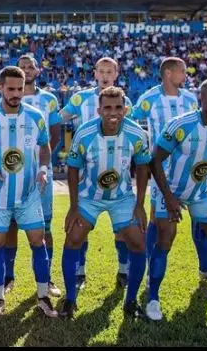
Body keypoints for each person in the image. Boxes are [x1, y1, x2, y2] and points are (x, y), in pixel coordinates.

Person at [146, 78, 207, 323]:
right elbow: (155, 160)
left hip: (203, 192)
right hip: (169, 190)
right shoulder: (180, 125)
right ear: (202, 98)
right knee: (165, 240)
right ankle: (153, 299)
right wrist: (168, 197)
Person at [59, 87, 150, 319]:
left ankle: (130, 302)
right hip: (89, 197)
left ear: (125, 109)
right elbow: (72, 169)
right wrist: (73, 206)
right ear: (98, 109)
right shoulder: (84, 133)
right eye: (107, 107)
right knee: (73, 240)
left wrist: (139, 204)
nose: (113, 112)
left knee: (139, 243)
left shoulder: (137, 133)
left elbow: (142, 168)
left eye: (118, 107)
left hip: (122, 198)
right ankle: (70, 299)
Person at [0, 66, 57, 319]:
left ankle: (43, 295)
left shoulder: (35, 116)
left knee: (38, 240)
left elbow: (45, 147)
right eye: (10, 89)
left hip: (30, 193)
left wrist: (43, 168)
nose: (15, 94)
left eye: (19, 89)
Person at [131, 58, 207, 286]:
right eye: (182, 71)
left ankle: (205, 267)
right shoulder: (149, 98)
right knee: (158, 218)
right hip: (161, 169)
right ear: (168, 73)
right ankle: (149, 269)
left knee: (199, 215)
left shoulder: (189, 98)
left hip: (191, 166)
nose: (185, 76)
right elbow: (131, 119)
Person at [60, 57, 133, 290]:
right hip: (85, 171)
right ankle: (79, 271)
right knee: (82, 227)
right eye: (101, 71)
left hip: (114, 170)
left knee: (122, 229)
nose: (104, 75)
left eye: (109, 71)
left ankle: (124, 270)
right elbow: (59, 118)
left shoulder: (124, 100)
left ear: (116, 73)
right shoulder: (80, 98)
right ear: (94, 74)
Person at [10, 54, 63, 297]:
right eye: (22, 67)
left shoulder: (49, 99)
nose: (27, 69)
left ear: (37, 70)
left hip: (40, 171)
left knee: (45, 226)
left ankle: (47, 278)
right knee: (9, 225)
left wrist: (41, 161)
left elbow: (55, 135)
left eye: (30, 66)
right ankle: (8, 277)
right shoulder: (7, 96)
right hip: (11, 171)